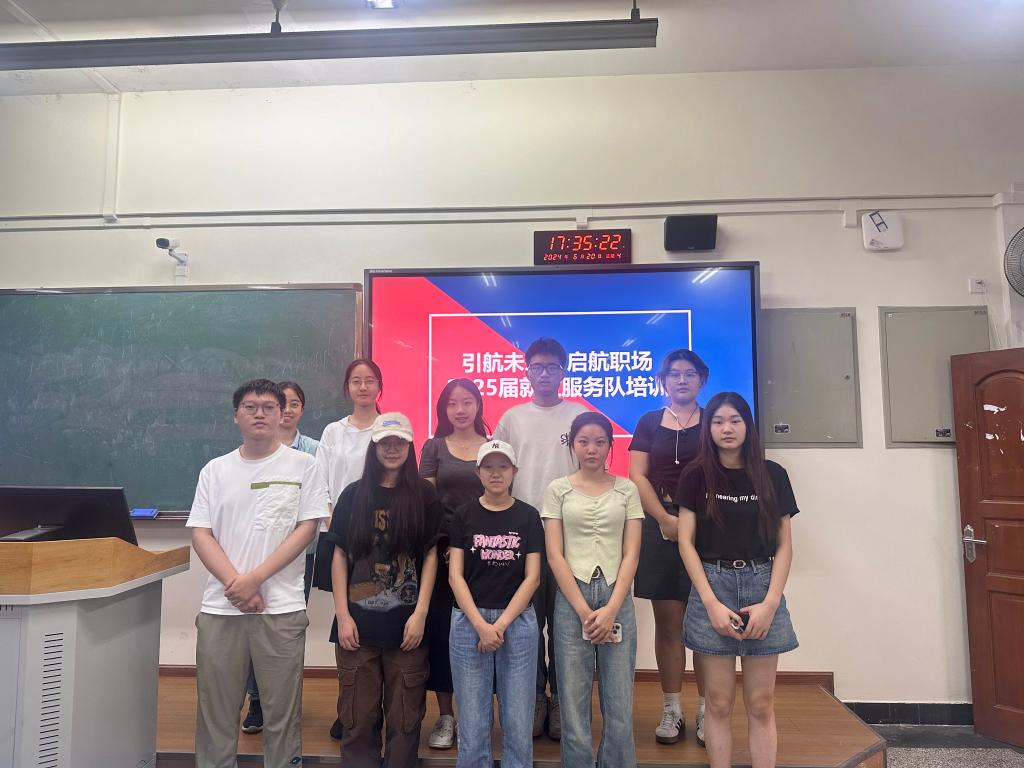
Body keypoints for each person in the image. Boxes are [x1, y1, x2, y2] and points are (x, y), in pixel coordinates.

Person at [186, 378, 327, 768]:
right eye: (250, 407)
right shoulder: (214, 470)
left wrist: (255, 579)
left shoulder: (305, 466)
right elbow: (201, 533)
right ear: (236, 415)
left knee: (282, 715)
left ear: (282, 414)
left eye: (269, 407)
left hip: (281, 609)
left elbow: (306, 529)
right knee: (215, 714)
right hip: (221, 608)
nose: (259, 413)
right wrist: (237, 584)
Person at [675, 392, 800, 768]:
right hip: (713, 585)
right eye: (717, 421)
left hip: (763, 584)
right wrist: (710, 602)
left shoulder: (773, 474)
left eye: (734, 420)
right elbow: (685, 542)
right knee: (717, 703)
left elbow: (785, 545)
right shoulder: (695, 475)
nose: (726, 428)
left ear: (748, 425)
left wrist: (771, 603)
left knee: (760, 703)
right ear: (707, 428)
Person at [325, 412, 443, 768]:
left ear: (410, 446)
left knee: (405, 717)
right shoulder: (353, 495)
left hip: (407, 627)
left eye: (400, 442)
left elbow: (431, 555)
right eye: (385, 443)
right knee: (357, 716)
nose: (392, 449)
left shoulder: (424, 495)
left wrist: (421, 614)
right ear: (373, 447)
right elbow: (339, 555)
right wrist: (343, 616)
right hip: (357, 626)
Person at [493, 336, 587, 739]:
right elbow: (497, 473)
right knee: (526, 624)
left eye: (552, 367)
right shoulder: (512, 418)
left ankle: (563, 701)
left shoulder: (579, 415)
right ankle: (534, 699)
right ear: (527, 371)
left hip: (570, 536)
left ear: (563, 371)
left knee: (566, 627)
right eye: (537, 367)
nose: (544, 373)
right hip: (524, 535)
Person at [543, 412, 643, 768]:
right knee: (573, 704)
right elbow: (554, 555)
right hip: (573, 601)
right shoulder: (558, 489)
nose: (591, 449)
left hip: (617, 597)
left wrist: (612, 608)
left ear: (610, 446)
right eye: (583, 442)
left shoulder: (627, 490)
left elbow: (632, 553)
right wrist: (585, 611)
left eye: (600, 442)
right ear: (572, 445)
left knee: (619, 703)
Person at [628, 349, 709, 744]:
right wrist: (663, 519)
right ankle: (672, 708)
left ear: (701, 380)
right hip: (659, 524)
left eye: (689, 373)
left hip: (707, 527)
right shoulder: (648, 421)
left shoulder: (713, 419)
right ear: (663, 380)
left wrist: (692, 524)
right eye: (674, 374)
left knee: (708, 623)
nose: (681, 380)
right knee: (669, 623)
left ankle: (709, 710)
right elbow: (637, 476)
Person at [448, 439, 543, 768]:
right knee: (472, 718)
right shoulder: (463, 515)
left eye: (503, 466)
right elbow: (455, 576)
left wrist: (499, 626)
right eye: (488, 467)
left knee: (518, 717)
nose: (496, 473)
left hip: (517, 623)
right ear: (478, 472)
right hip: (468, 623)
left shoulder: (528, 516)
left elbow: (533, 578)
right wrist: (480, 625)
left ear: (514, 471)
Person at [242, 380, 322, 735]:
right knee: (253, 629)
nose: (287, 410)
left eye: (294, 404)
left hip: (301, 556)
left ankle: (285, 702)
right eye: (282, 403)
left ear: (301, 409)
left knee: (287, 631)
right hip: (254, 555)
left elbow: (320, 501)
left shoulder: (314, 451)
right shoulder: (253, 448)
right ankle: (257, 700)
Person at [315, 358, 383, 740]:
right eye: (356, 381)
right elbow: (321, 483)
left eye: (369, 380)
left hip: (385, 541)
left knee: (381, 616)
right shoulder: (333, 432)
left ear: (379, 386)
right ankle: (350, 708)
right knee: (345, 619)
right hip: (342, 537)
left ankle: (376, 709)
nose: (363, 386)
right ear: (347, 388)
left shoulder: (390, 427)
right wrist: (336, 527)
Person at [419, 378, 489, 749]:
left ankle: (476, 714)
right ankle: (446, 715)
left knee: (481, 632)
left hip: (486, 551)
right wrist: (449, 544)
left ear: (478, 405)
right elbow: (427, 502)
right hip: (443, 551)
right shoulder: (433, 447)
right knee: (444, 634)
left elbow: (499, 500)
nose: (460, 410)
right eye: (452, 403)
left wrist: (471, 544)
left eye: (467, 402)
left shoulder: (492, 447)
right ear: (443, 409)